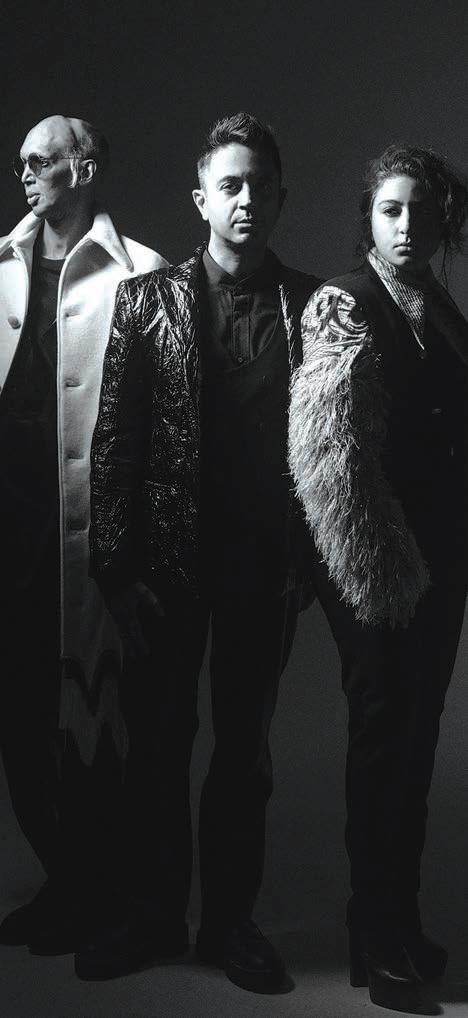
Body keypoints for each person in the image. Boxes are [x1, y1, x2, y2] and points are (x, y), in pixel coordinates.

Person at [83, 112, 320, 989]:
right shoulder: (147, 302)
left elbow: (329, 447)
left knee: (243, 754)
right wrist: (115, 571)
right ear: (201, 200)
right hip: (166, 567)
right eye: (231, 185)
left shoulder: (312, 306)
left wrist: (309, 561)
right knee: (157, 745)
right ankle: (153, 918)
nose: (246, 199)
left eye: (260, 185)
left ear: (281, 197)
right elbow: (116, 442)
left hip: (264, 567)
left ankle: (229, 924)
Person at [289, 143, 468, 1012]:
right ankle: (376, 935)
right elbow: (330, 464)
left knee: (418, 741)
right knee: (382, 742)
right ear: (367, 215)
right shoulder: (342, 304)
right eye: (390, 209)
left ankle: (400, 923)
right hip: (375, 563)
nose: (406, 226)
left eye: (422, 212)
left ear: (443, 221)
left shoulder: (441, 306)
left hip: (441, 565)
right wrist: (383, 570)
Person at [0, 115, 166, 954]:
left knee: (97, 717)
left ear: (85, 168)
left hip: (95, 546)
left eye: (41, 160)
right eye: (21, 163)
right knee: (20, 713)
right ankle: (64, 881)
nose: (25, 173)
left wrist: (144, 554)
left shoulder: (143, 274)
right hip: (11, 537)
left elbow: (168, 430)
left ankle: (102, 894)